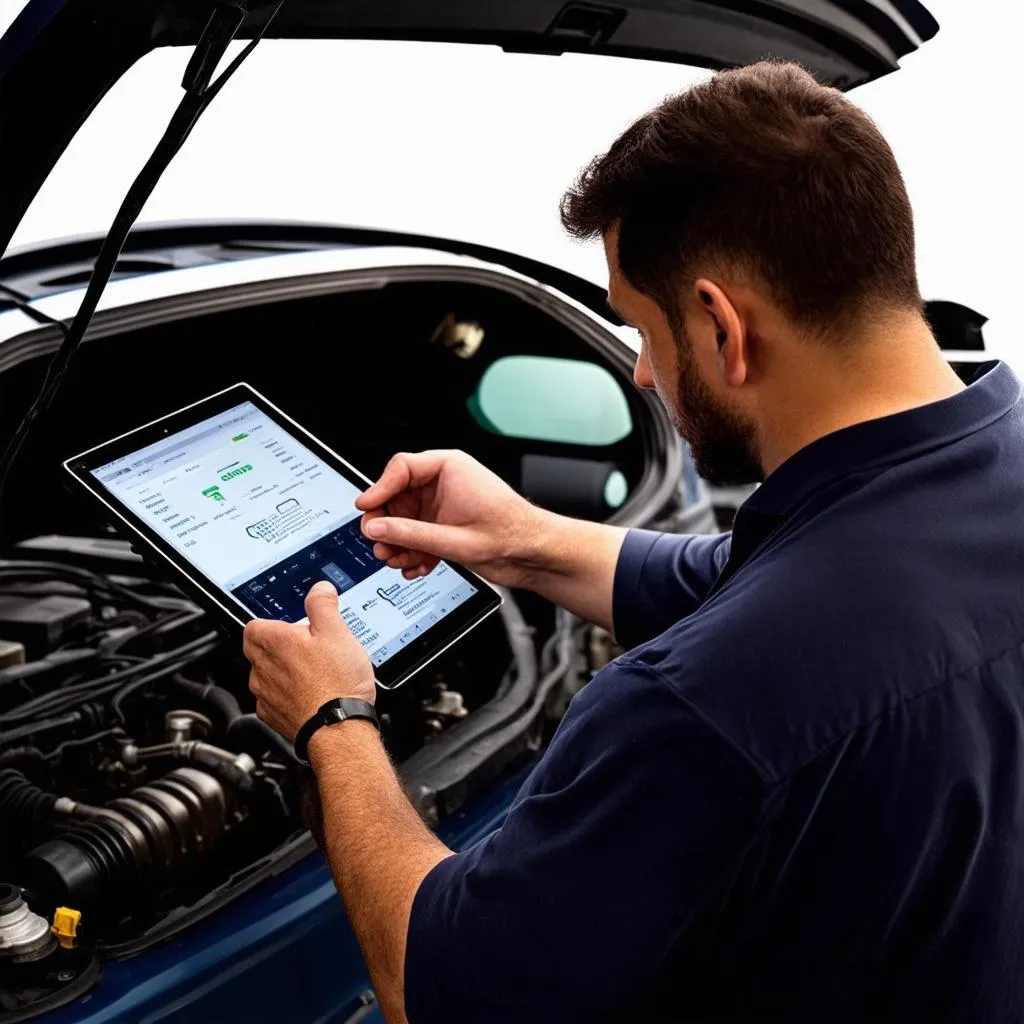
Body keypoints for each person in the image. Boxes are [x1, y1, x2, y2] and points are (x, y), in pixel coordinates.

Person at [243, 60, 1024, 1022]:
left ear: (724, 327)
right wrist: (521, 540)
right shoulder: (984, 466)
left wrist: (333, 722)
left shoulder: (700, 706)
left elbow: (433, 990)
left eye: (643, 331)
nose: (645, 375)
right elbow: (745, 580)